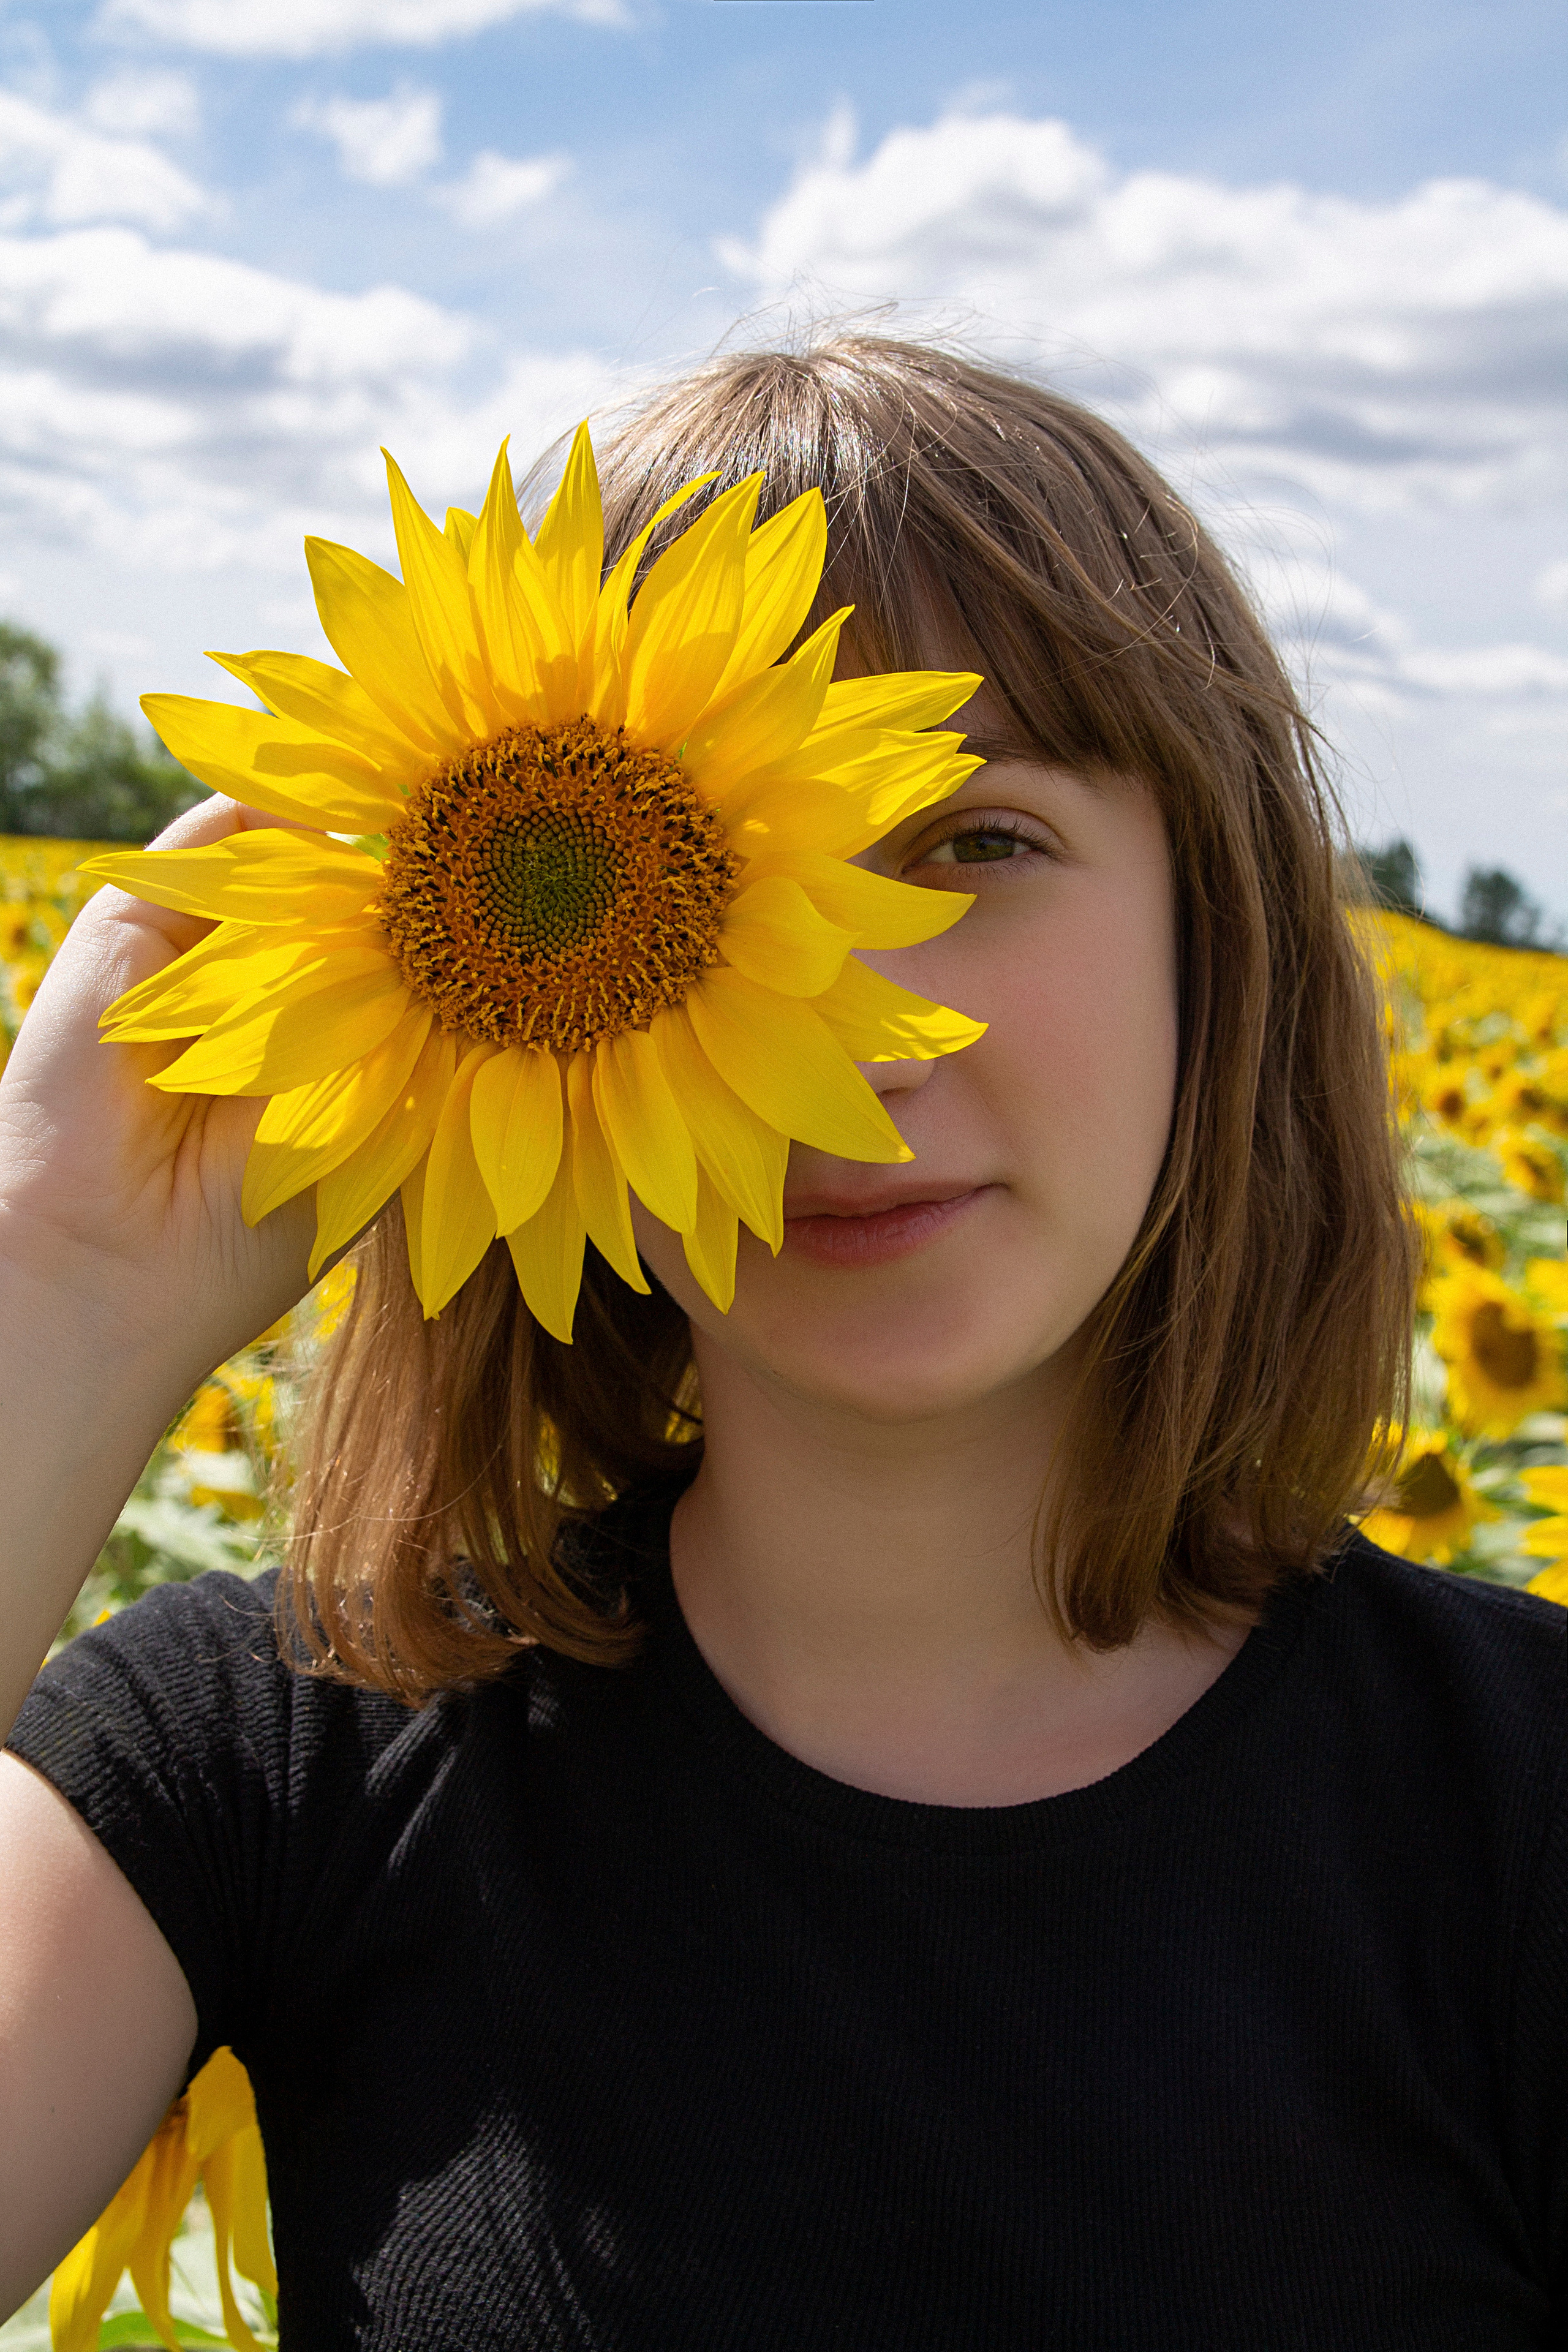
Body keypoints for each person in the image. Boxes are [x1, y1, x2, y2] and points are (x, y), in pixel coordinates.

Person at [0, 334, 1562, 2350]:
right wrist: (67, 1285)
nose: (843, 1039)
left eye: (967, 843)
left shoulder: (1513, 1814)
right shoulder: (274, 1760)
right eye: (704, 885)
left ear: (1218, 922)